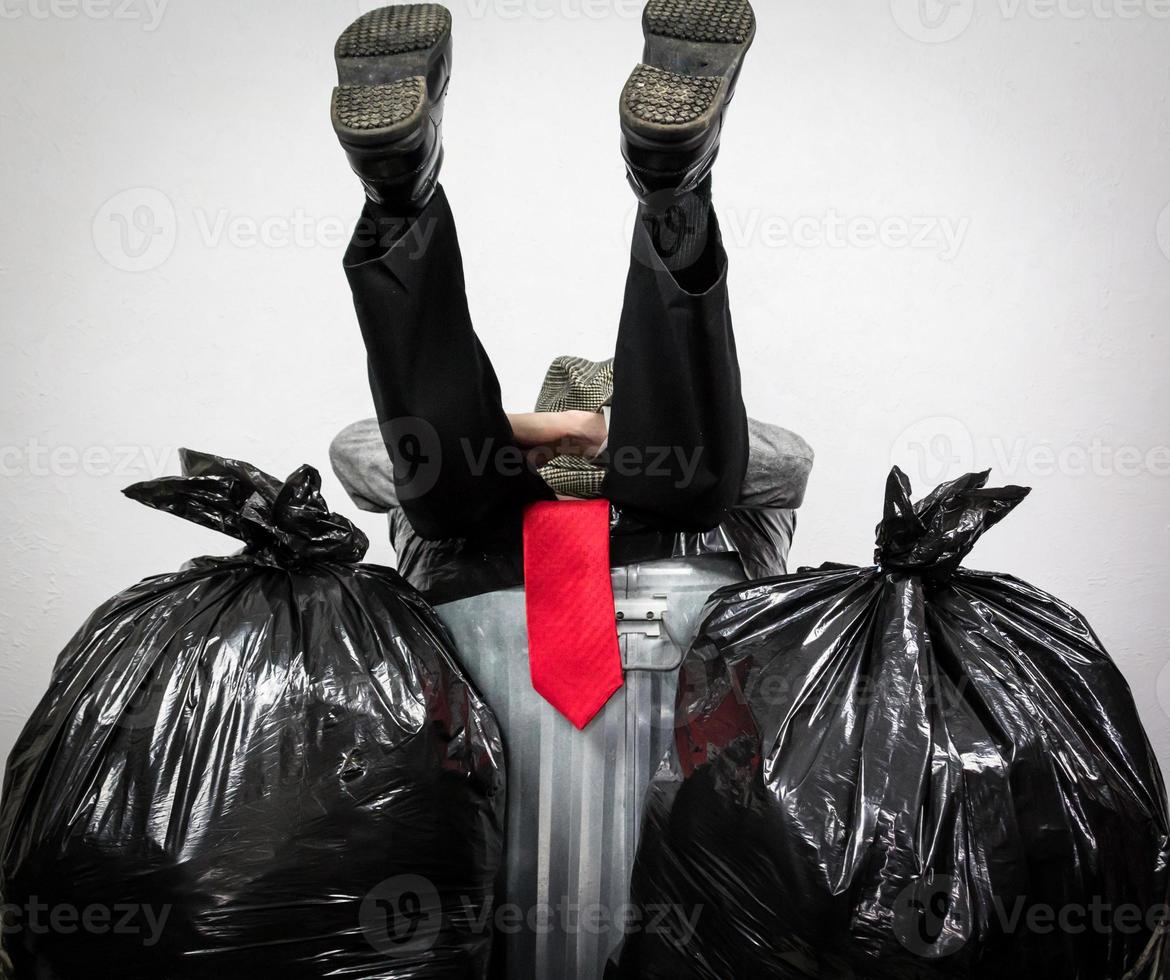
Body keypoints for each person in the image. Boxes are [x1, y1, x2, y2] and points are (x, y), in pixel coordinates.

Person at [329, 0, 813, 603]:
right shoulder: (480, 480)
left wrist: (610, 439)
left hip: (672, 539)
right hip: (494, 551)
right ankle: (398, 187)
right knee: (445, 473)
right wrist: (515, 438)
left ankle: (675, 185)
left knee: (681, 476)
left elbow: (791, 461)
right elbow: (352, 451)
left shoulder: (694, 464)